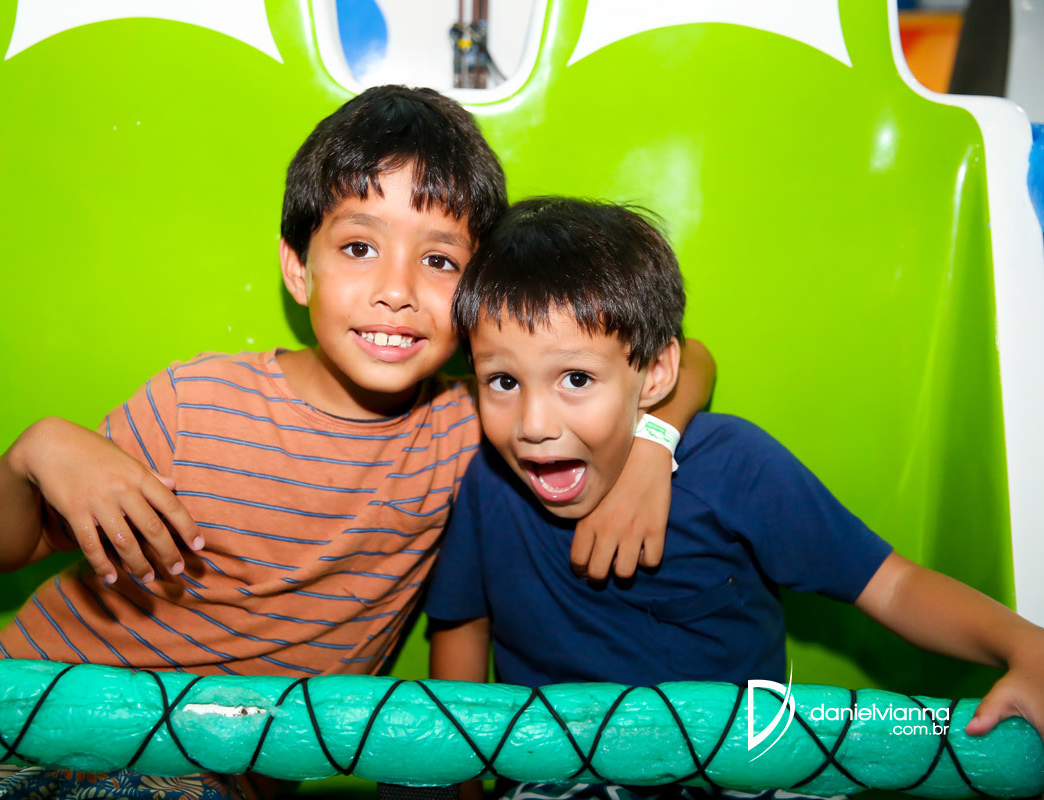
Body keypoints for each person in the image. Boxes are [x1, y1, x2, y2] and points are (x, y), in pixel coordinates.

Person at [0, 90, 715, 800]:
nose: (395, 291)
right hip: (7, 715)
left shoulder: (478, 425)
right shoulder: (194, 402)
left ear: (479, 297)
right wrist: (39, 450)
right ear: (298, 269)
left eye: (440, 262)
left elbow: (684, 357)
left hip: (198, 775)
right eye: (359, 247)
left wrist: (652, 446)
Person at [426, 197, 1044, 800]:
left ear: (656, 374)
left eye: (576, 378)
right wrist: (459, 781)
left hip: (745, 768)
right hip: (561, 774)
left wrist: (1027, 646)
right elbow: (462, 626)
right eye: (503, 381)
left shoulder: (735, 465)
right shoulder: (488, 482)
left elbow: (892, 585)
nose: (534, 424)